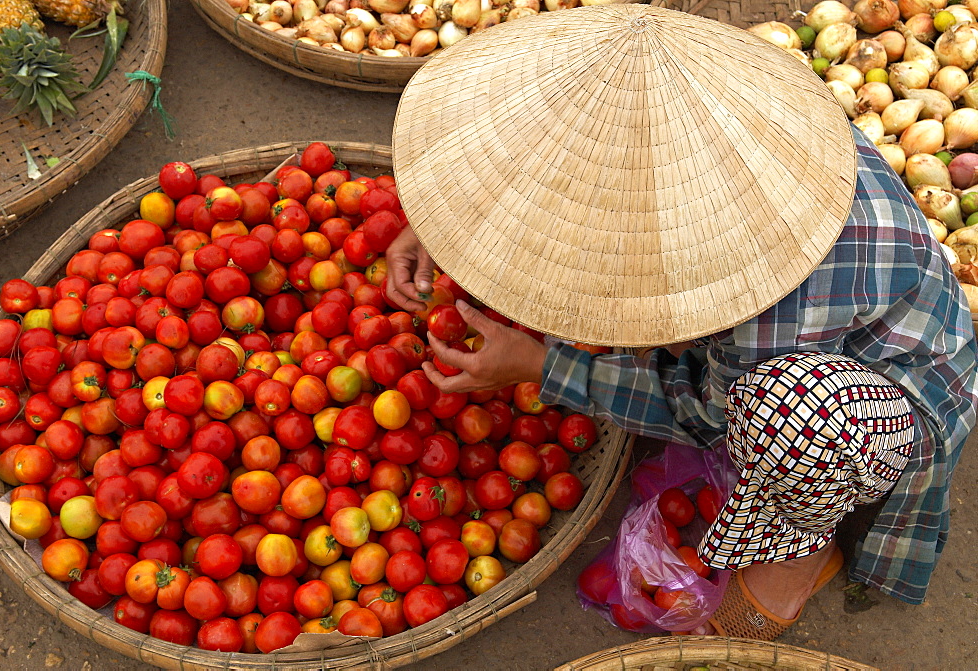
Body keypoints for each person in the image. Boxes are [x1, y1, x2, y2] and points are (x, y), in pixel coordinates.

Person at [384, 5, 978, 640]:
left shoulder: (770, 317)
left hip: (885, 391)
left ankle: (804, 551)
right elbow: (535, 157)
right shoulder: (744, 118)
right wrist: (448, 221)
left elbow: (702, 415)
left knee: (793, 419)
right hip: (796, 319)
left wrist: (540, 365)